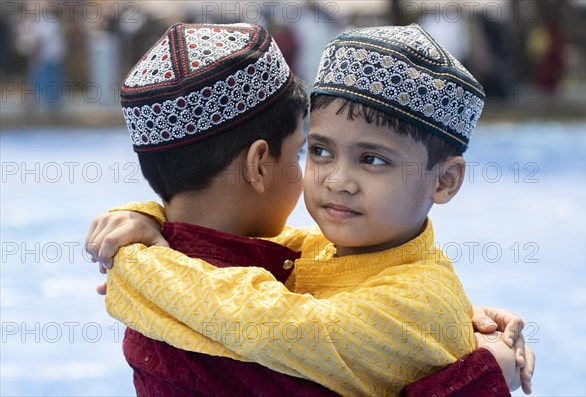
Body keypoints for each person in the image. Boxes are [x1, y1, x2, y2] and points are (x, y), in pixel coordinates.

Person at [88, 24, 534, 396]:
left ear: (445, 180)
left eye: (373, 159)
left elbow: (283, 325)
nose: (337, 180)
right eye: (316, 151)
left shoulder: (417, 301)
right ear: (258, 165)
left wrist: (137, 262)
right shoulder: (320, 251)